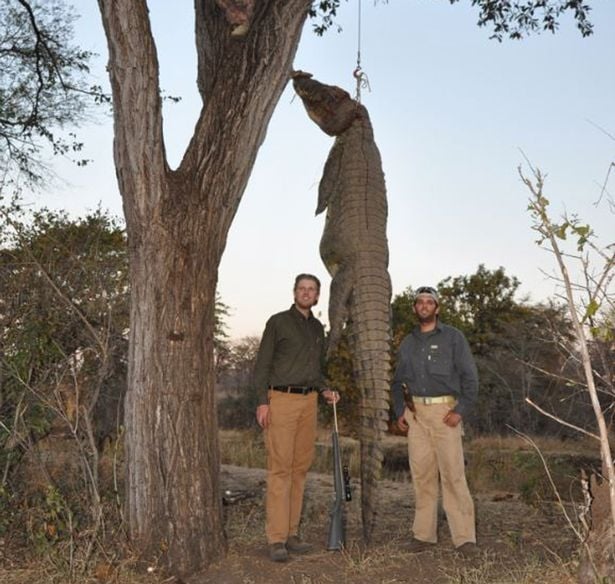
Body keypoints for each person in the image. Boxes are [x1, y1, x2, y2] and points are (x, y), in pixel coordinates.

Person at [253, 273, 339, 562]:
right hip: (281, 400)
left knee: (300, 469)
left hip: (309, 402)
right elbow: (262, 365)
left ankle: (291, 534)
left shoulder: (317, 328)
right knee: (280, 469)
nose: (306, 293)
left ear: (317, 296)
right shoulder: (278, 322)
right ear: (294, 292)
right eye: (302, 288)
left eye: (311, 290)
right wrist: (262, 402)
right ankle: (276, 539)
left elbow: (316, 370)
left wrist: (326, 389)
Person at [391, 286, 479, 556]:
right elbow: (396, 383)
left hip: (445, 413)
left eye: (430, 302)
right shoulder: (407, 343)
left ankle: (464, 539)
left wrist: (460, 410)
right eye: (420, 302)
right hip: (417, 416)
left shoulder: (453, 338)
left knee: (453, 476)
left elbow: (470, 378)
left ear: (437, 308)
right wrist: (399, 412)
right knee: (422, 476)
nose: (425, 306)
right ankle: (423, 535)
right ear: (415, 308)